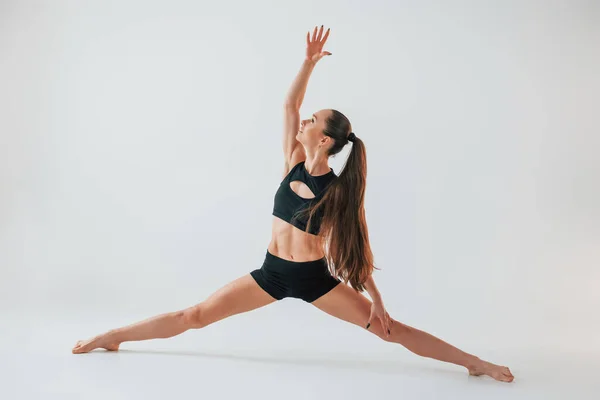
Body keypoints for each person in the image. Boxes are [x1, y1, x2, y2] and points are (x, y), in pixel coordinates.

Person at [72, 25, 514, 383]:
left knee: (391, 331)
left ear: (324, 140)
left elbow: (359, 247)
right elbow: (289, 104)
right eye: (308, 118)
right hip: (271, 272)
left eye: (313, 121)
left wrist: (376, 299)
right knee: (195, 315)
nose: (303, 121)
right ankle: (114, 337)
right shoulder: (293, 162)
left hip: (313, 279)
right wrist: (307, 64)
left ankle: (474, 362)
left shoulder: (339, 191)